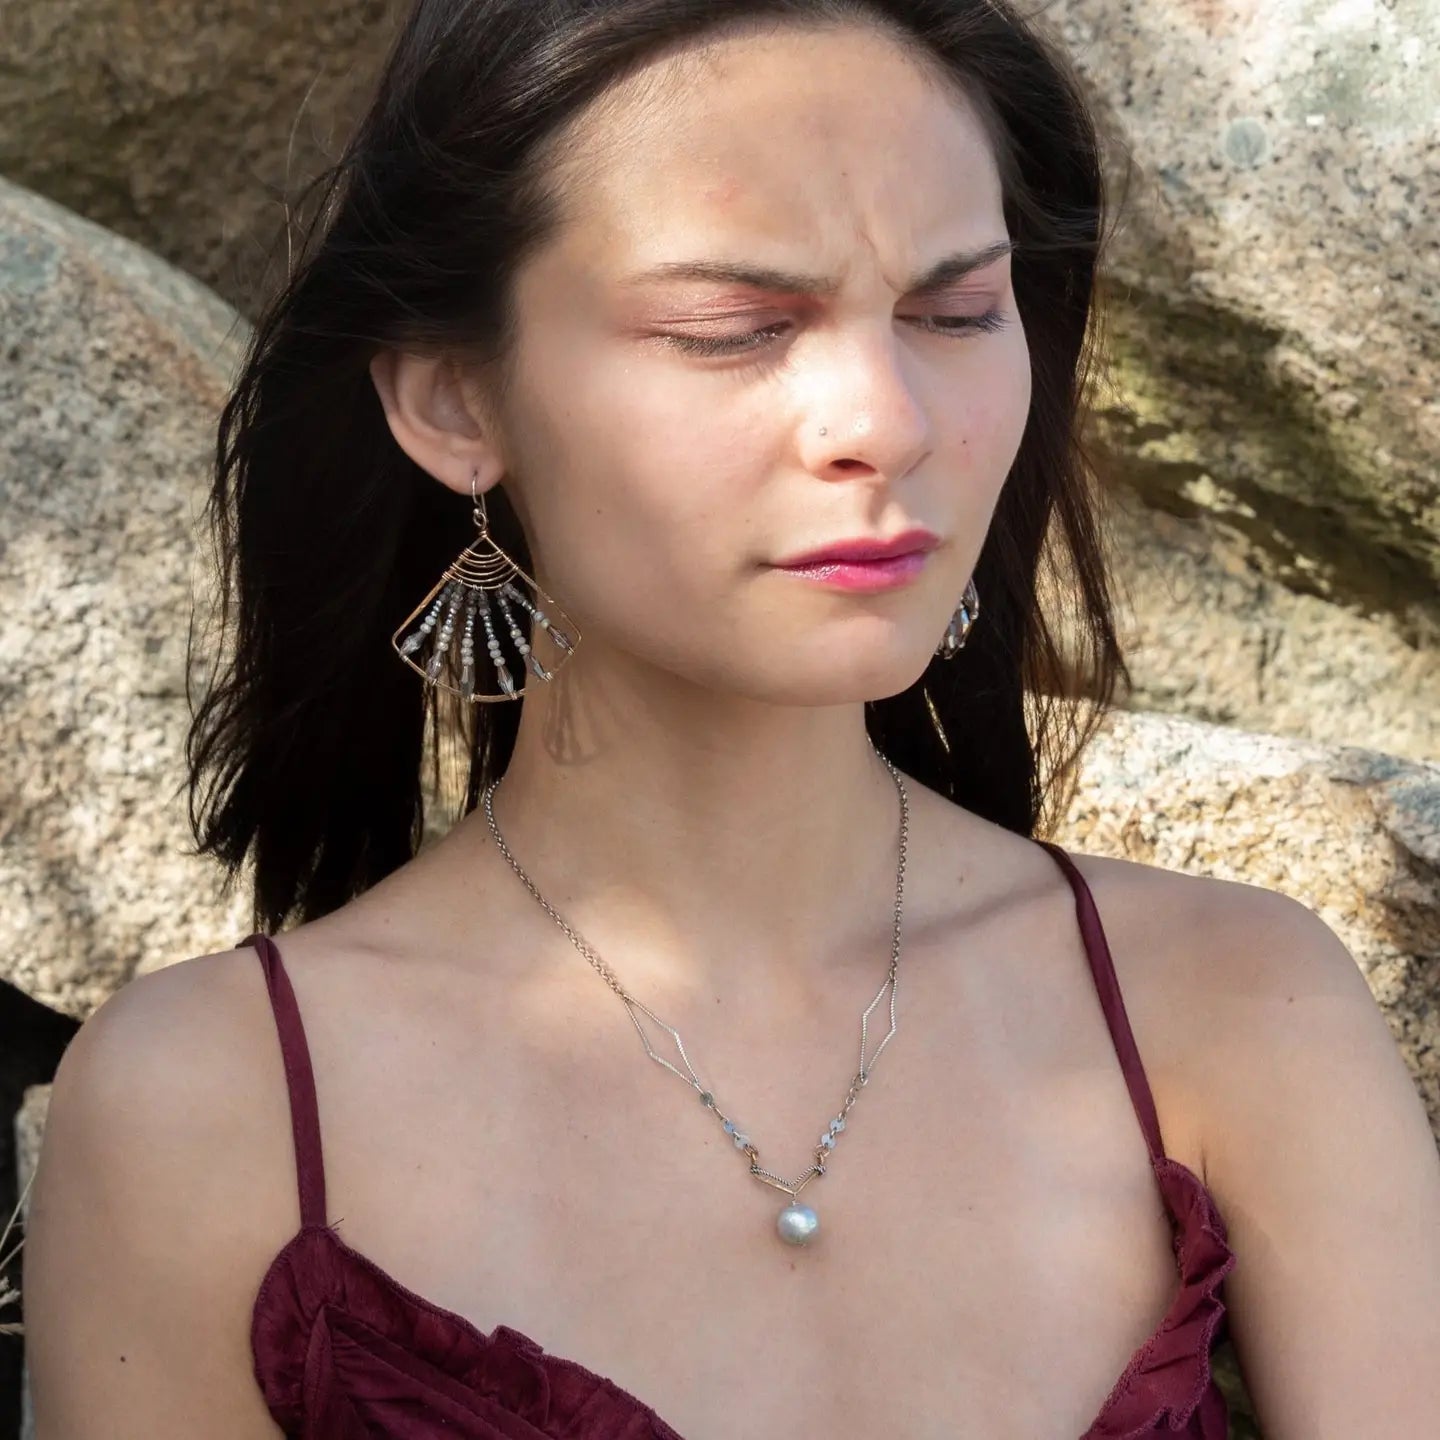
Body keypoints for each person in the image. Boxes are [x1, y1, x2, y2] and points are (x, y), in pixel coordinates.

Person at [21, 1, 1440, 1435]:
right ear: (456, 399)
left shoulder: (1238, 1008)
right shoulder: (212, 1107)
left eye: (955, 312)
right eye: (733, 331)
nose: (879, 420)